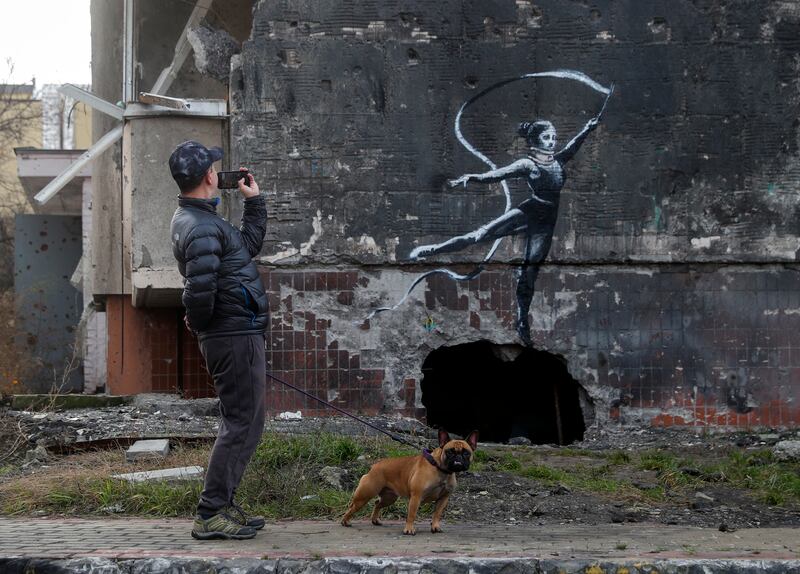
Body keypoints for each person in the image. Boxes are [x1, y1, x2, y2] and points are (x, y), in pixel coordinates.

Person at [409, 115, 601, 346]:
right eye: (547, 137)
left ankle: (522, 322)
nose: (552, 141)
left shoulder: (559, 161)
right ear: (535, 141)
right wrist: (473, 177)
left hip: (545, 224)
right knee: (479, 235)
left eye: (554, 138)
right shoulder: (528, 164)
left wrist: (588, 129)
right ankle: (431, 250)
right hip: (529, 212)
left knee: (529, 273)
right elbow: (498, 174)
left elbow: (574, 145)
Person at [168, 141, 269, 540]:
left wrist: (255, 204)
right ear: (210, 176)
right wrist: (203, 325)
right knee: (242, 423)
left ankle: (222, 504)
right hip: (231, 335)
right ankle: (211, 512)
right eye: (214, 166)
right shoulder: (201, 227)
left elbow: (245, 250)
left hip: (232, 332)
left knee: (248, 422)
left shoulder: (202, 220)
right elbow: (199, 289)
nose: (217, 170)